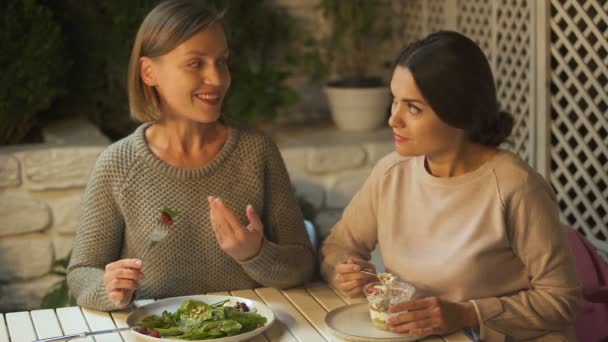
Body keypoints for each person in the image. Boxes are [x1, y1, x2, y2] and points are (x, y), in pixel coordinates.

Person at [321, 31, 580, 341]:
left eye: (413, 108)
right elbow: (338, 247)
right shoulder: (391, 174)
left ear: (459, 113)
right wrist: (346, 274)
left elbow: (562, 300)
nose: (394, 119)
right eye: (395, 101)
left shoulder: (516, 187)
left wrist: (468, 313)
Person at [67, 0, 314, 312]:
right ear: (148, 72)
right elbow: (82, 272)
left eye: (222, 62)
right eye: (196, 64)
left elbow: (303, 263)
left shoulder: (257, 151)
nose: (217, 78)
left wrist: (255, 253)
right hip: (157, 333)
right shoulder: (118, 164)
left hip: (247, 332)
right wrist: (108, 287)